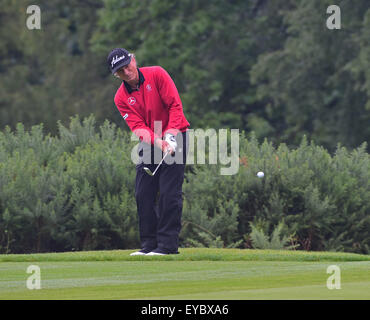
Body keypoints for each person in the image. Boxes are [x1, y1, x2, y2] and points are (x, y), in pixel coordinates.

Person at [107, 48, 190, 255]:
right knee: (143, 193)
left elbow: (175, 107)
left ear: (134, 60)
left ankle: (167, 246)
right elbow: (138, 127)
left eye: (127, 66)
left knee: (169, 194)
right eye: (120, 71)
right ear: (116, 75)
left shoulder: (157, 74)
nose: (126, 72)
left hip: (176, 134)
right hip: (150, 142)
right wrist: (159, 142)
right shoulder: (120, 98)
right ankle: (148, 246)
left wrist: (170, 135)